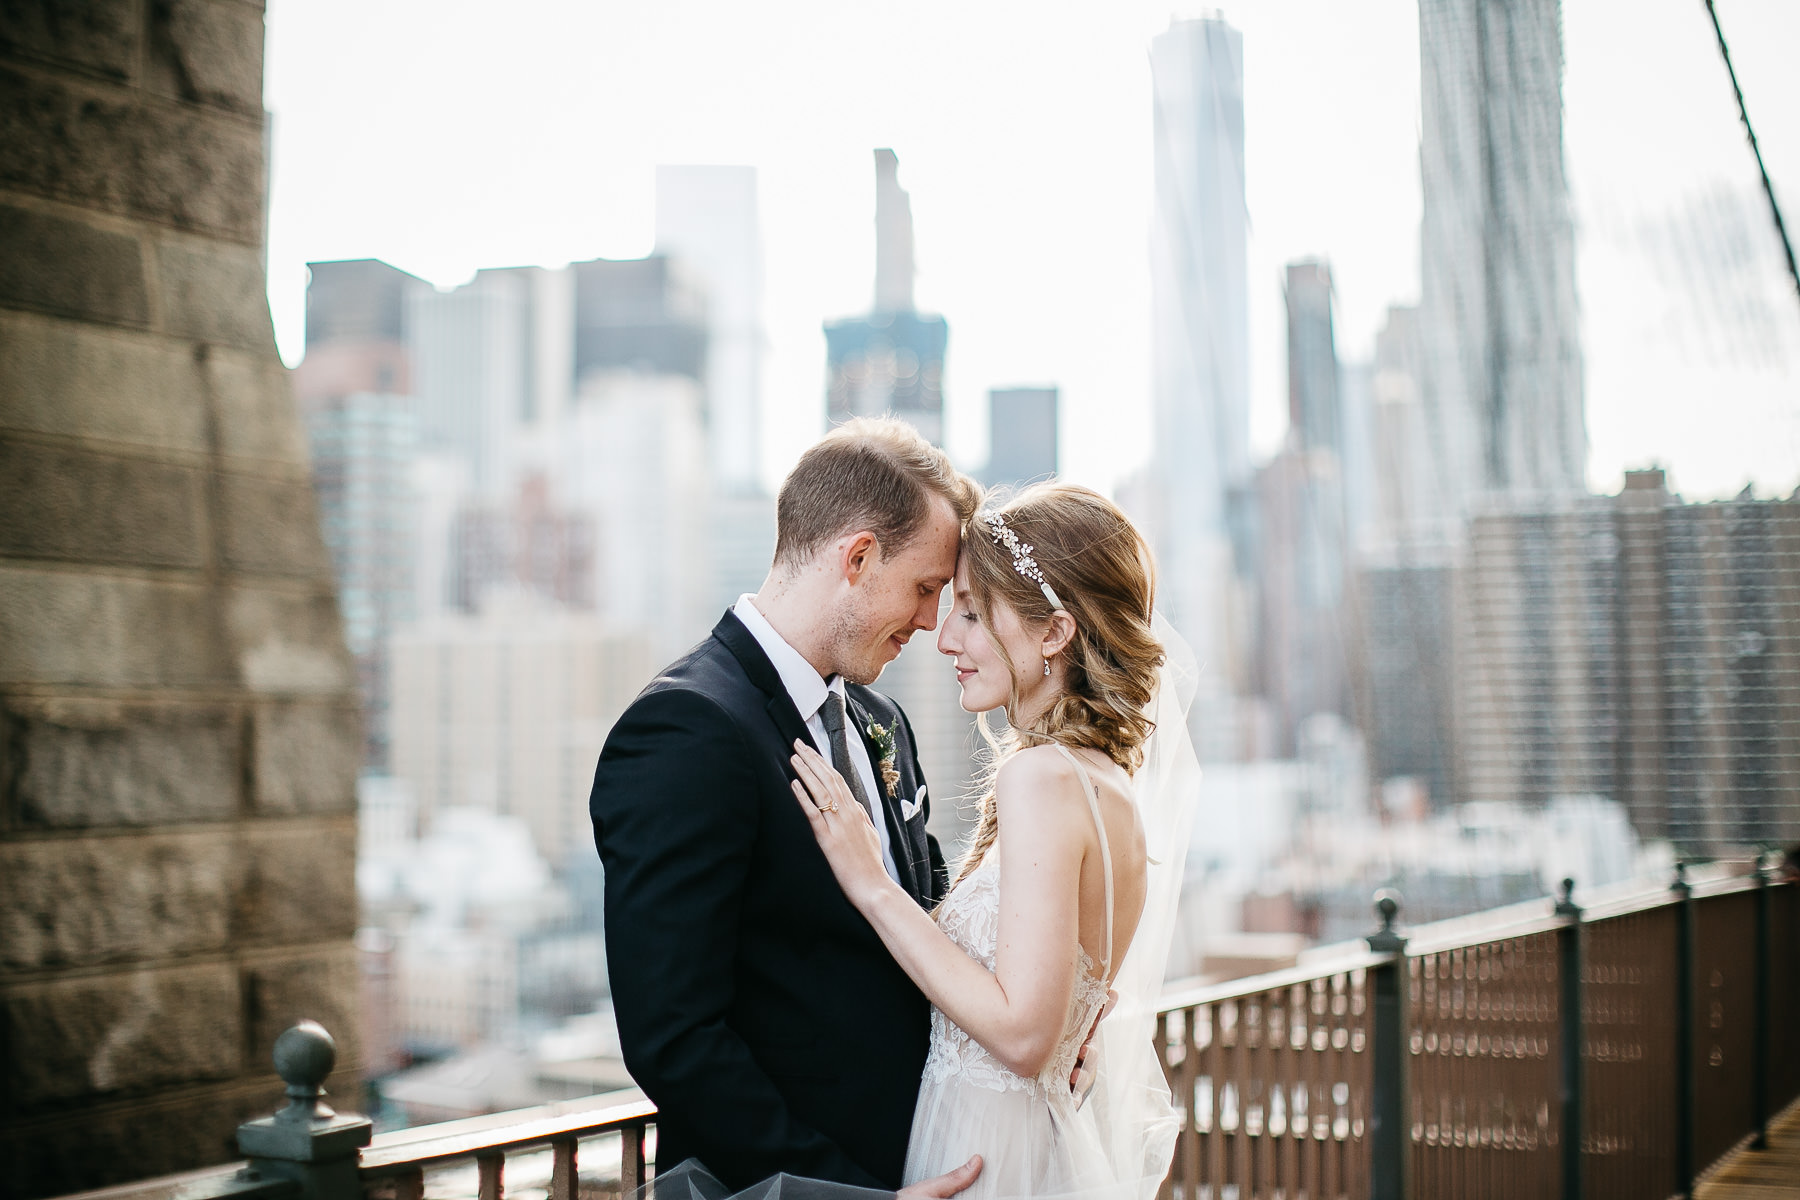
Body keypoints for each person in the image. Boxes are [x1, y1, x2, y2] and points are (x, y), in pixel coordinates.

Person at [589, 418, 987, 1197]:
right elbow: (675, 1036)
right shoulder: (684, 731)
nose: (932, 622)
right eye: (926, 587)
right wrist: (845, 1195)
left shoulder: (882, 723)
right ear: (860, 557)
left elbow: (932, 923)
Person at [793, 483, 1197, 1199]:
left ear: (1054, 633)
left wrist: (872, 885)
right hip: (1035, 1148)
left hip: (986, 1160)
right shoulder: (1106, 784)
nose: (946, 637)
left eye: (974, 613)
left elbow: (1022, 1036)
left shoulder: (1041, 780)